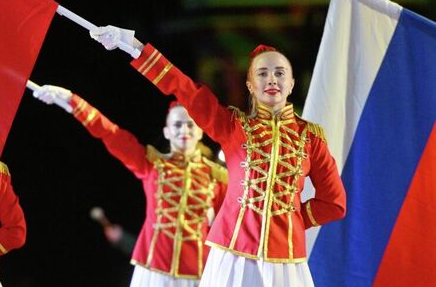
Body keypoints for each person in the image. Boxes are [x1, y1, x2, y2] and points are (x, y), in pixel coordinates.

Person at [86, 25, 347, 287]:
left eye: (280, 73)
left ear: (291, 83)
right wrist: (134, 47)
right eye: (262, 73)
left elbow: (334, 202)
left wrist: (292, 219)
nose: (271, 80)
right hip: (231, 252)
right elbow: (184, 89)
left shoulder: (311, 138)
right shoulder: (232, 125)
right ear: (250, 85)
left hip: (286, 257)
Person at [33, 86, 227, 287]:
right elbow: (111, 134)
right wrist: (73, 102)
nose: (184, 130)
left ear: (201, 131)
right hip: (153, 269)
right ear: (167, 132)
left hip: (198, 272)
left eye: (190, 125)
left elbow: (227, 230)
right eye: (177, 125)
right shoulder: (151, 164)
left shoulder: (218, 177)